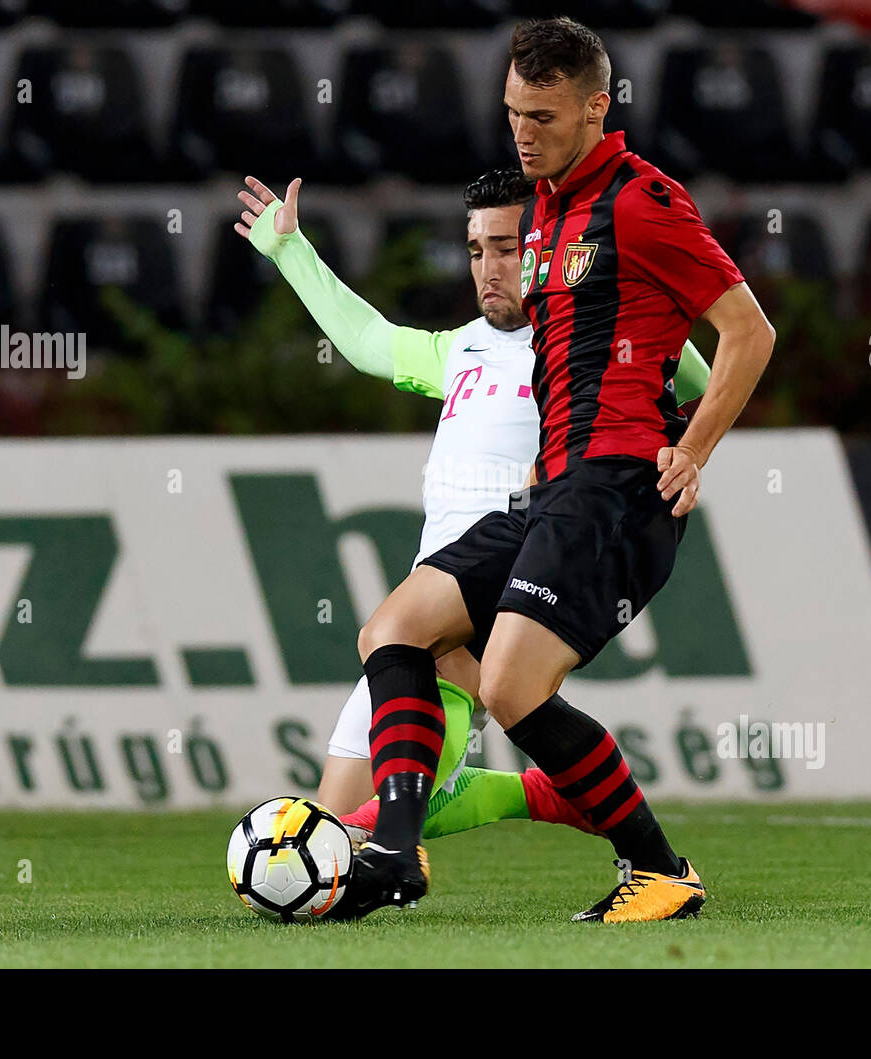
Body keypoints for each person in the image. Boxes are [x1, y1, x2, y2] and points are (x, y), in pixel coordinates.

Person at [341, 17, 775, 923]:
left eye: (541, 115)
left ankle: (659, 870)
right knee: (395, 626)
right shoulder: (546, 210)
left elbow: (749, 331)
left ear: (595, 108)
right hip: (556, 488)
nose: (522, 133)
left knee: (507, 688)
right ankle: (395, 852)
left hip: (618, 486)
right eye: (511, 113)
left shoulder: (642, 200)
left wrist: (690, 448)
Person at [235, 166, 712, 862]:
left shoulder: (586, 341)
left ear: (546, 246)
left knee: (349, 835)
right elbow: (371, 343)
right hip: (436, 577)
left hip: (513, 568)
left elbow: (691, 378)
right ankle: (533, 796)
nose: (489, 268)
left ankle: (407, 849)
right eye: (476, 248)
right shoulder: (461, 346)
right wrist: (291, 251)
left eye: (508, 248)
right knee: (331, 827)